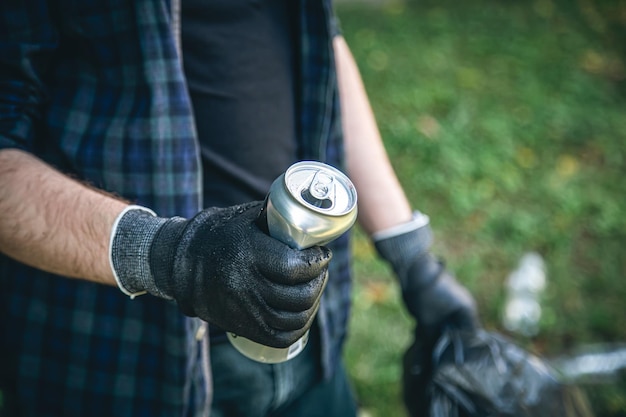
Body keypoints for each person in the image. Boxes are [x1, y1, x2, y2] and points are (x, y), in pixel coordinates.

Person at [0, 1, 479, 416]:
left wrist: (412, 258)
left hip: (310, 345)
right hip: (120, 362)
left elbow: (321, 49)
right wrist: (173, 256)